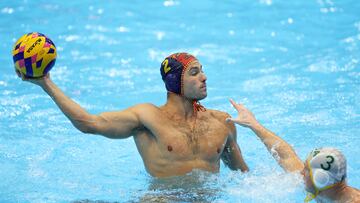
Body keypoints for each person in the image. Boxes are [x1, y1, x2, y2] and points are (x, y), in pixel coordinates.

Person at [16, 52, 249, 178]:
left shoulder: (221, 122)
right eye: (195, 73)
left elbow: (244, 179)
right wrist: (46, 83)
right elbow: (89, 123)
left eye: (203, 71)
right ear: (175, 81)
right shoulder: (147, 118)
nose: (204, 77)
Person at [226, 99, 360, 202]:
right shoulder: (325, 189)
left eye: (306, 170)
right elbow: (287, 157)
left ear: (321, 179)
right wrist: (253, 124)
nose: (301, 172)